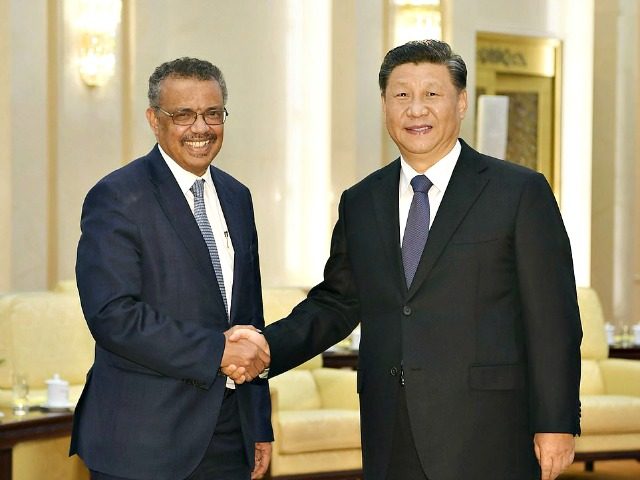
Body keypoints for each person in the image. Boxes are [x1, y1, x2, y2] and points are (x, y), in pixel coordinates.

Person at [231, 40, 582, 480]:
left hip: (489, 430)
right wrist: (265, 349)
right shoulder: (361, 201)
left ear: (461, 102)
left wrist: (556, 422)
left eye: (432, 94)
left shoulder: (518, 192)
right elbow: (336, 303)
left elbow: (553, 318)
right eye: (401, 95)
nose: (416, 110)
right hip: (390, 426)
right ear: (384, 106)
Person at [71, 57, 272, 480]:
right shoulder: (116, 196)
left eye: (212, 114)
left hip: (227, 436)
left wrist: (258, 424)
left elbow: (248, 319)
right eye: (183, 114)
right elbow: (113, 316)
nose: (200, 128)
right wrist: (217, 350)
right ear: (154, 120)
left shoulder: (238, 196)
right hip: (143, 441)